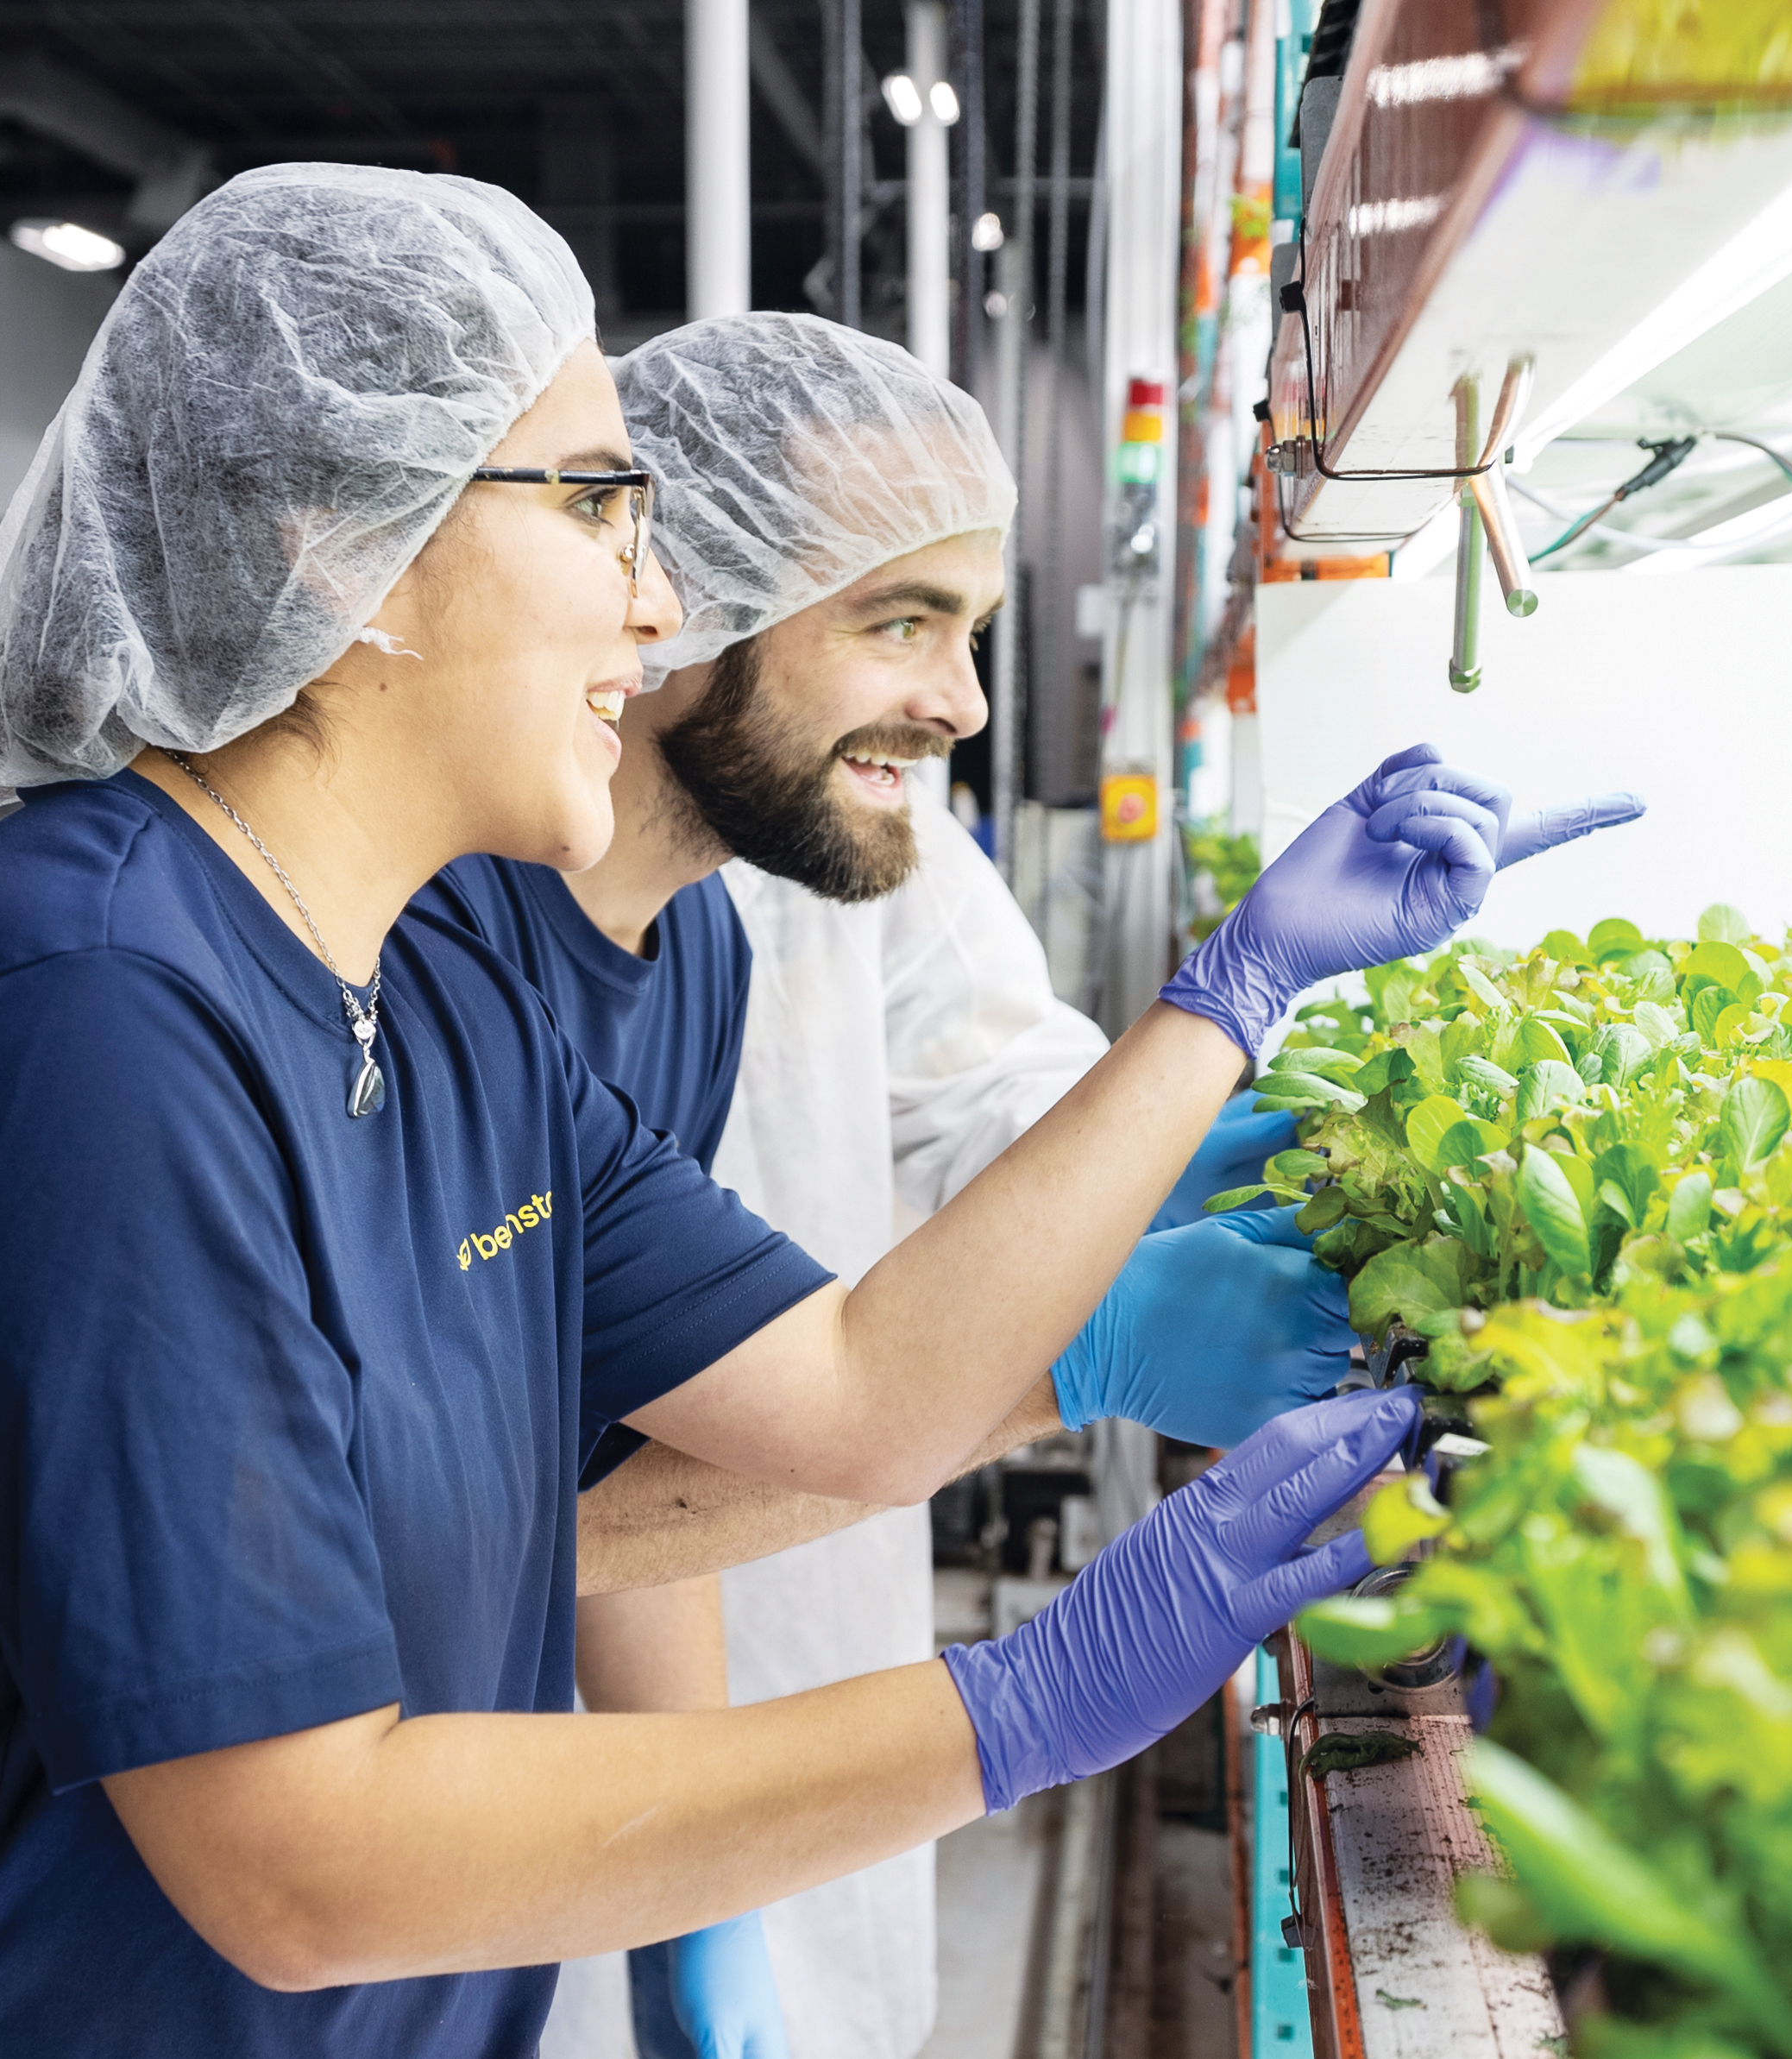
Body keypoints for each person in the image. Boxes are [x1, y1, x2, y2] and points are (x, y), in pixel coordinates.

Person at [0, 163, 1644, 2058]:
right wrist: (1017, 1700)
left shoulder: (434, 994)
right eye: (603, 512)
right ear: (335, 544)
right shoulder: (86, 1023)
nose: (652, 611)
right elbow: (300, 1861)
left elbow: (857, 1384)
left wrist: (1227, 1003)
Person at [414, 315, 1340, 2059]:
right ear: (668, 598)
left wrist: (1181, 1129)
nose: (965, 702)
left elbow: (652, 1410)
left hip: (735, 1660)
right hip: (420, 1802)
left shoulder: (698, 928)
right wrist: (1077, 1371)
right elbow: (452, 1540)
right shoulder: (404, 964)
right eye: (898, 618)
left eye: (966, 628)